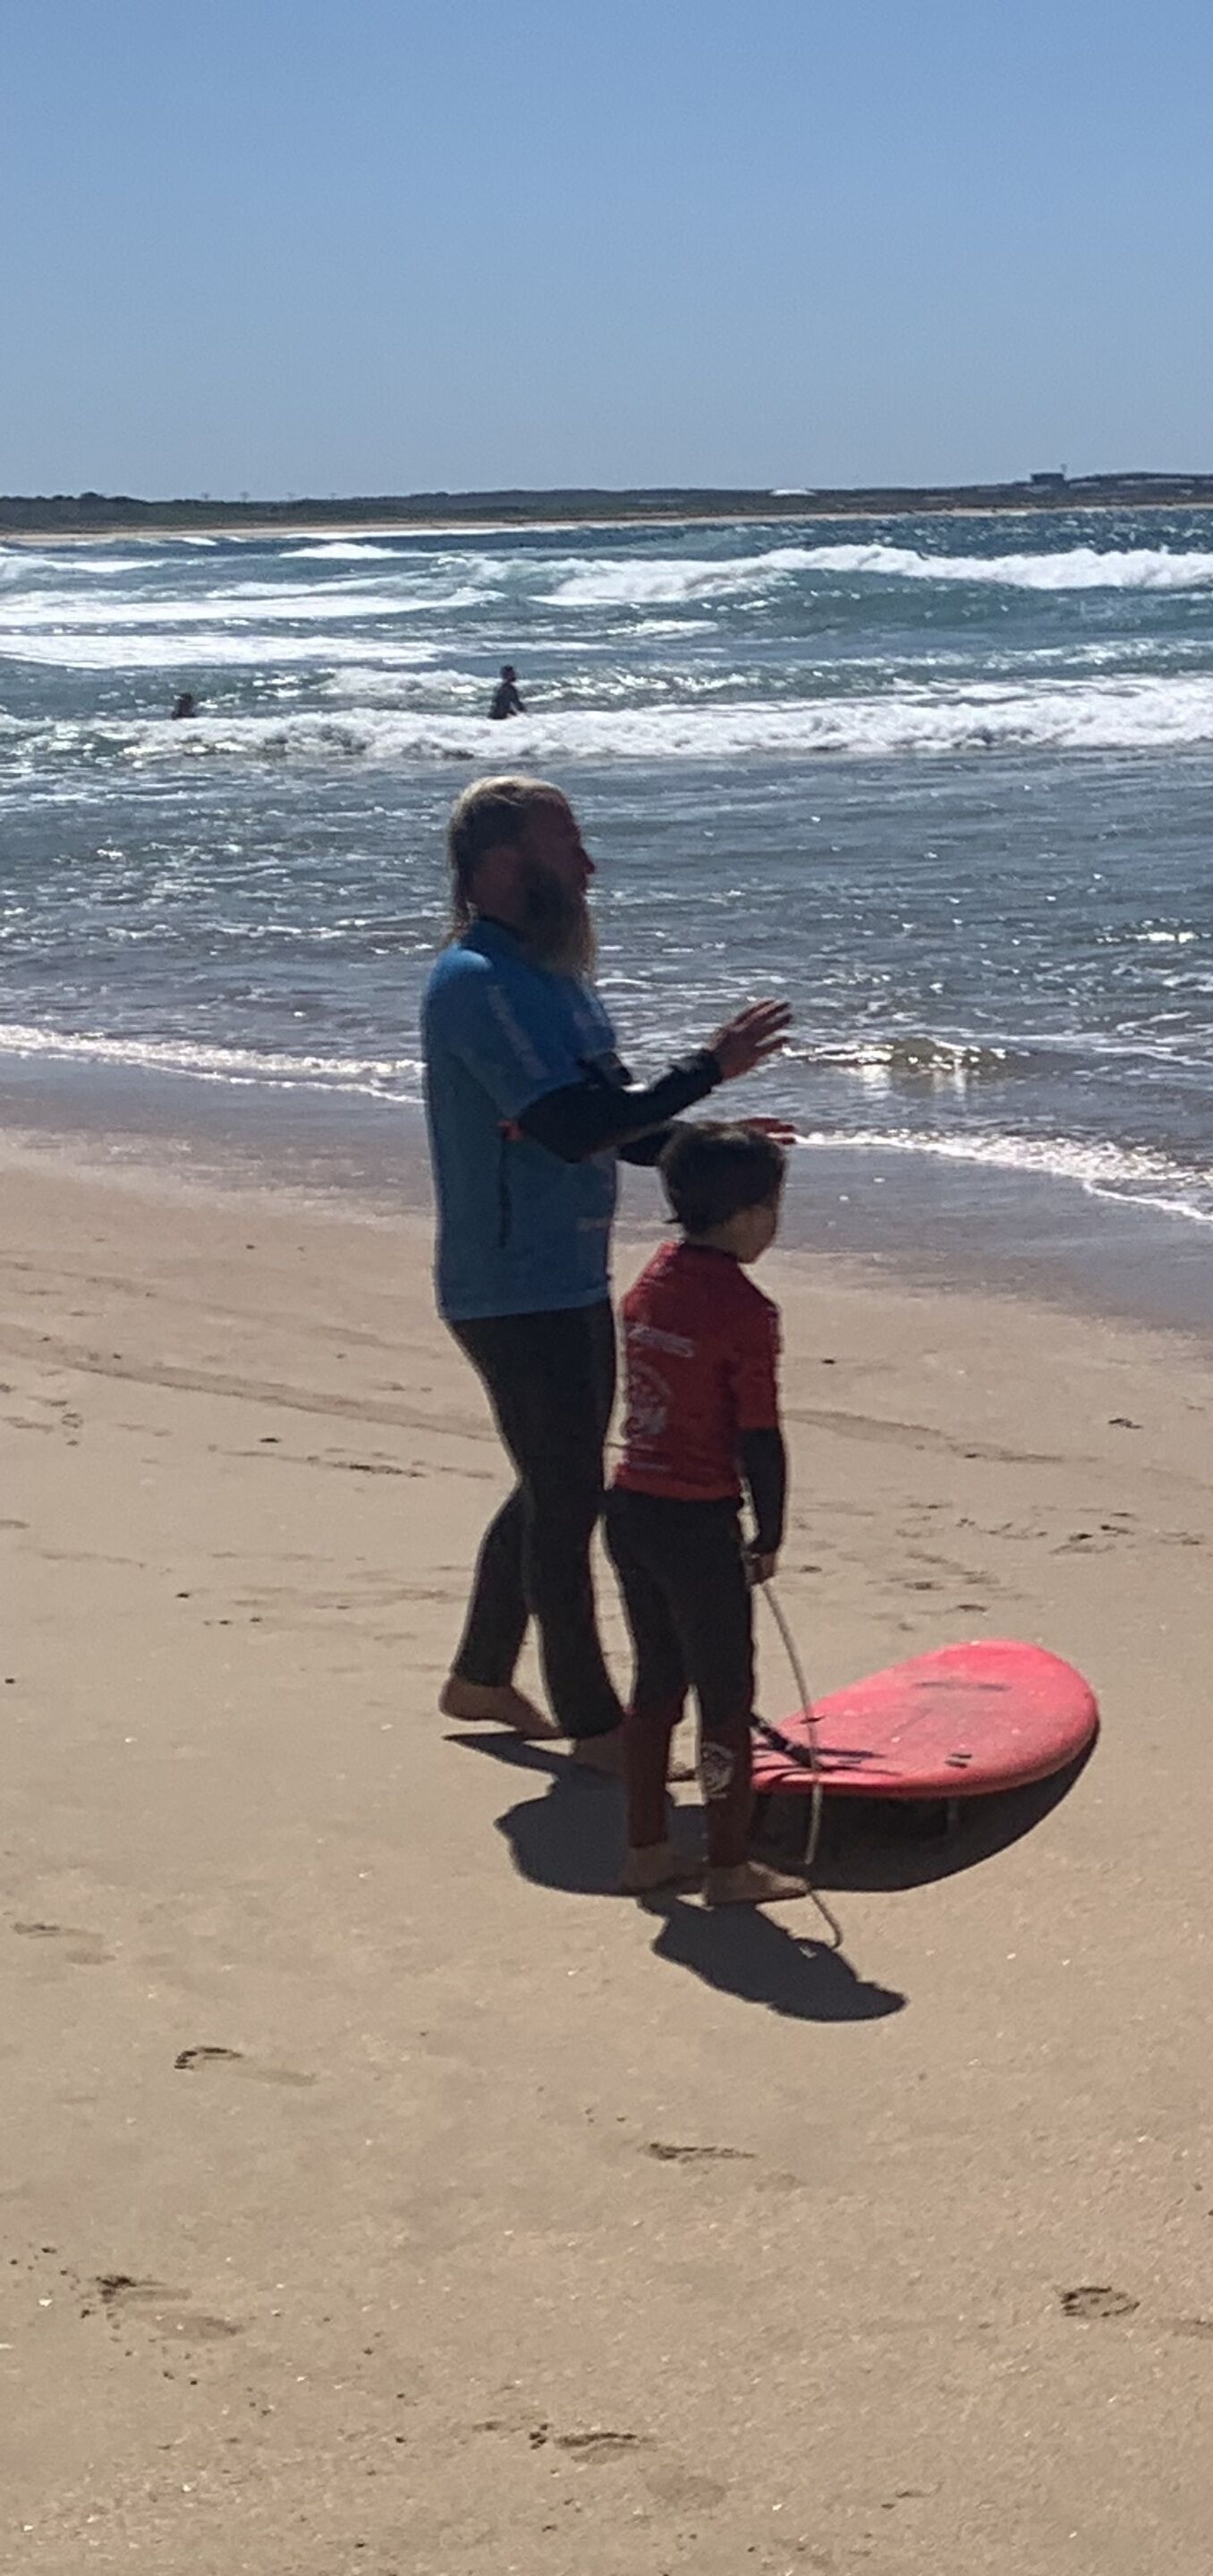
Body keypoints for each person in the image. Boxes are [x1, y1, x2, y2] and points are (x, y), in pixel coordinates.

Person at [421, 775, 789, 1772]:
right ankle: (595, 1724)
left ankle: (481, 1674)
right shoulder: (475, 984)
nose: (588, 866)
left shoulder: (551, 977)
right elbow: (565, 1127)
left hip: (568, 1270)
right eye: (566, 845)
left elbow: (613, 1126)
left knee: (555, 1480)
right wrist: (707, 1069)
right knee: (568, 1493)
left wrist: (700, 1139)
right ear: (504, 865)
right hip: (507, 1284)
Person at [606, 1123, 805, 1902]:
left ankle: (645, 1850)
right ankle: (729, 1866)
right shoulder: (745, 1311)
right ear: (753, 1215)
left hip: (631, 1506)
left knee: (656, 1680)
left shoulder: (651, 1279)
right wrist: (772, 1529)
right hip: (697, 1521)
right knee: (726, 1699)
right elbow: (759, 1434)